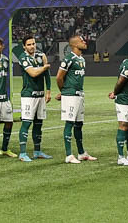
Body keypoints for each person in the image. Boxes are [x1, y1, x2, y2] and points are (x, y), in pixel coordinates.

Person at [12, 35, 52, 162]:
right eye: (29, 44)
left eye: (33, 43)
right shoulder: (23, 58)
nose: (32, 46)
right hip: (28, 96)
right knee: (26, 123)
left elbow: (47, 75)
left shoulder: (41, 55)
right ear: (24, 46)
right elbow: (33, 73)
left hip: (40, 95)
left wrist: (48, 91)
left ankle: (37, 151)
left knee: (38, 124)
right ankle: (22, 154)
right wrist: (45, 66)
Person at [55, 33, 93, 164]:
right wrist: (64, 92)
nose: (84, 42)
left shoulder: (81, 59)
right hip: (70, 95)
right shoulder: (69, 58)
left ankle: (81, 153)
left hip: (79, 95)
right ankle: (69, 155)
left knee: (79, 124)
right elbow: (59, 77)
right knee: (69, 123)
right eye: (82, 41)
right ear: (75, 44)